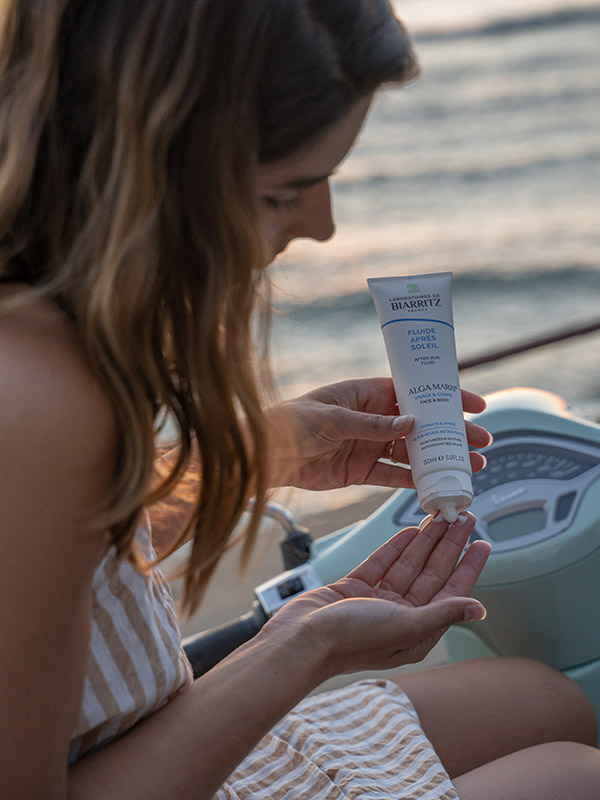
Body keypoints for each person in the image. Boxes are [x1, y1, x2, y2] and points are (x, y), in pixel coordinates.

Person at [0, 1, 598, 798]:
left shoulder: (41, 331)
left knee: (540, 697)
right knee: (574, 775)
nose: (321, 227)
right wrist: (301, 647)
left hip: (151, 731)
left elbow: (65, 552)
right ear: (151, 169)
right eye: (286, 193)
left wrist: (251, 458)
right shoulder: (41, 401)